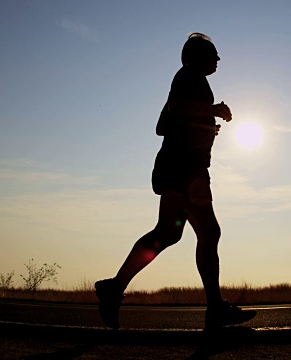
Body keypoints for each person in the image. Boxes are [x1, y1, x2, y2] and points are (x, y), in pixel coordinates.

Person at [95, 33, 256, 330]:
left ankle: (114, 288)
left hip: (180, 169)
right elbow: (178, 109)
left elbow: (162, 125)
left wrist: (202, 125)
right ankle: (215, 309)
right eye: (214, 55)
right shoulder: (187, 77)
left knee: (169, 233)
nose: (218, 60)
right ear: (198, 57)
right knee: (208, 232)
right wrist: (212, 111)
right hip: (186, 171)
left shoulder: (187, 81)